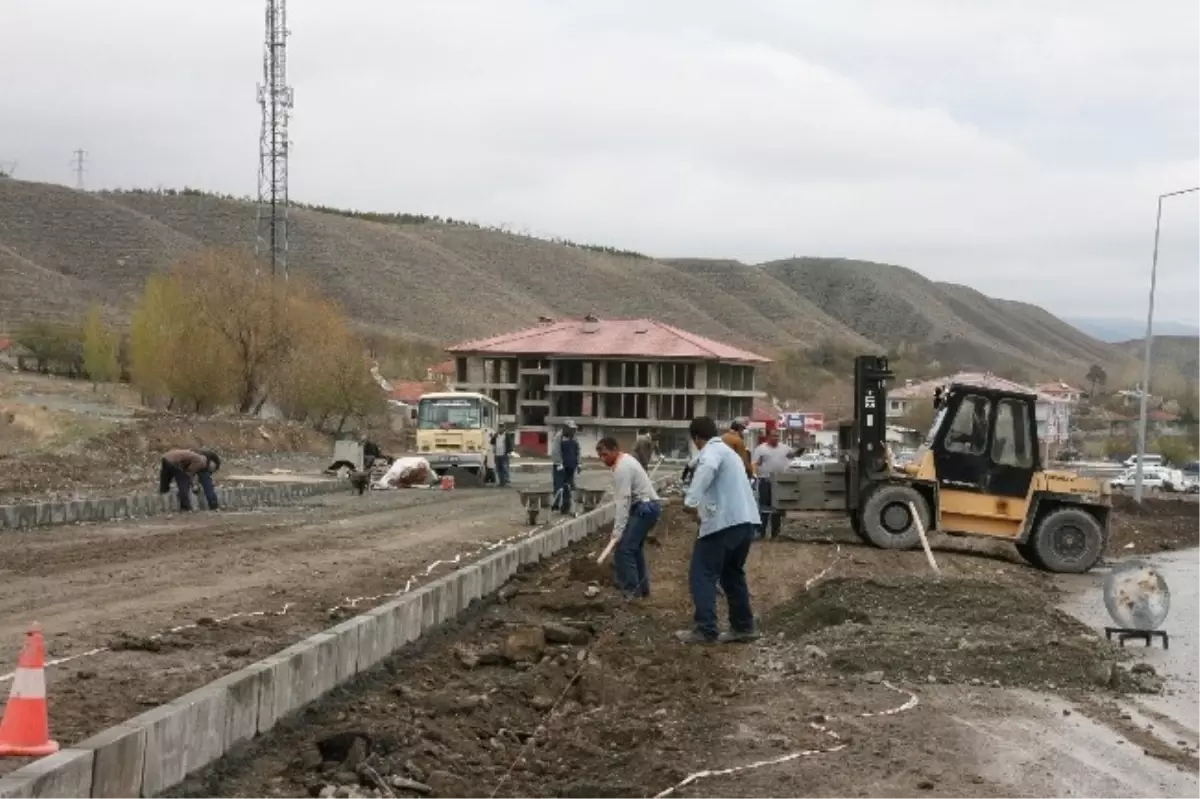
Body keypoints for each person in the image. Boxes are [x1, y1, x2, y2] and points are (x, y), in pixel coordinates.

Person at [679, 416, 761, 645]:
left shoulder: (710, 453)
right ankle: (743, 627)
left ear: (696, 438)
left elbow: (707, 468)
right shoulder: (730, 453)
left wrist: (691, 502)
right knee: (732, 573)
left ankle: (705, 630)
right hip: (745, 522)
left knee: (702, 573)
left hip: (724, 523)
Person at [596, 437, 662, 598]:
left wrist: (618, 531)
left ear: (614, 450)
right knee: (635, 549)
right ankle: (642, 589)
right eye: (600, 456)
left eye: (605, 454)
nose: (602, 459)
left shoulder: (622, 468)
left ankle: (631, 592)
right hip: (648, 507)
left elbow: (623, 501)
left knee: (624, 550)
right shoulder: (625, 461)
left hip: (644, 509)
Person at [751, 426, 794, 540]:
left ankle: (775, 533)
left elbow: (793, 456)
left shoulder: (785, 448)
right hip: (765, 481)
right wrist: (755, 476)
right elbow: (755, 464)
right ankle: (761, 532)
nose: (776, 438)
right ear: (768, 437)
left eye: (777, 436)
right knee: (764, 507)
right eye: (773, 436)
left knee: (777, 508)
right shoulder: (761, 449)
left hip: (779, 482)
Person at [550, 420, 580, 514]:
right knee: (559, 486)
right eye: (571, 429)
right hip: (560, 466)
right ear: (565, 428)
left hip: (571, 466)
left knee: (568, 486)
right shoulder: (559, 437)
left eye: (574, 429)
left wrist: (579, 464)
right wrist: (559, 463)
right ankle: (556, 506)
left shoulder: (574, 438)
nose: (573, 431)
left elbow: (578, 451)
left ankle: (566, 506)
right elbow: (556, 451)